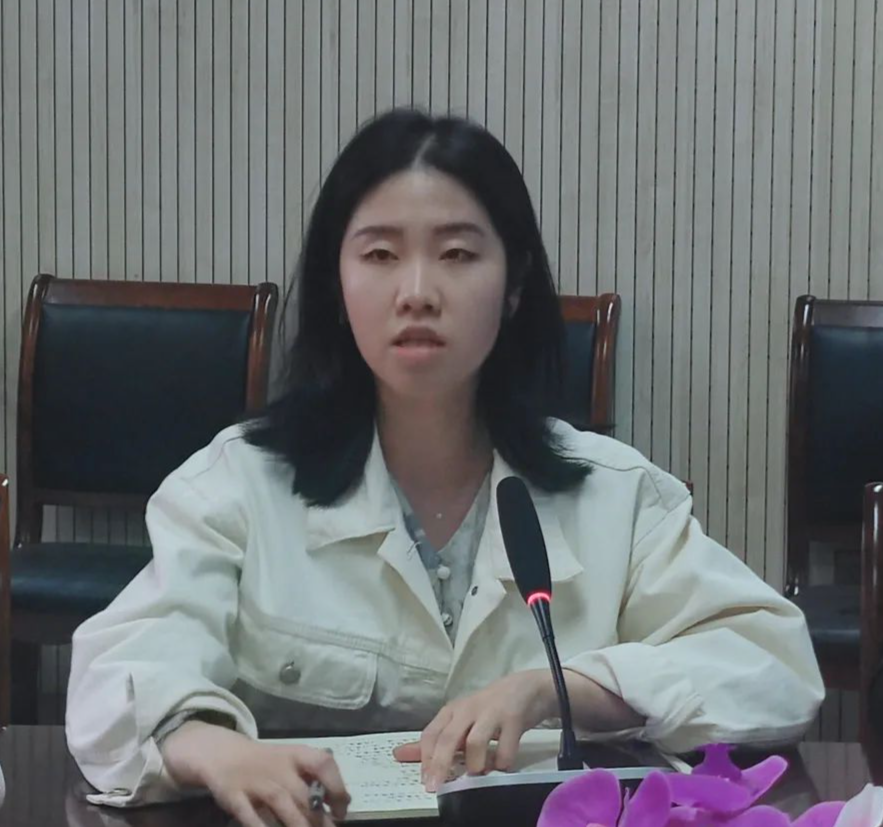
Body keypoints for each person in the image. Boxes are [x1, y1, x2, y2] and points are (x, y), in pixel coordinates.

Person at [65, 108, 824, 827]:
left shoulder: (613, 494)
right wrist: (215, 749)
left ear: (514, 283)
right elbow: (117, 678)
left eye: (457, 254)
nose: (417, 293)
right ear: (336, 285)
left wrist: (564, 691)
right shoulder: (240, 484)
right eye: (380, 255)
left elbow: (774, 666)